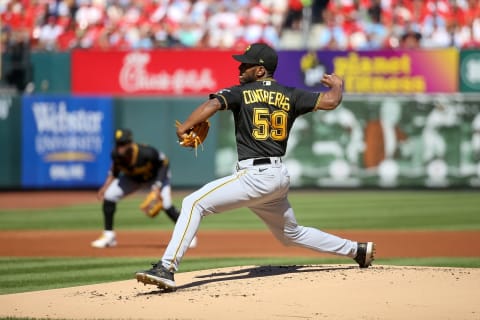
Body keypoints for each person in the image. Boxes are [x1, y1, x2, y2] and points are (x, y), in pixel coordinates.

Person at [135, 43, 375, 290]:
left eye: (246, 64)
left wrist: (185, 125)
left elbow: (214, 104)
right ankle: (357, 250)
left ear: (260, 71)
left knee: (193, 203)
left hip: (255, 176)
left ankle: (167, 267)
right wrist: (337, 85)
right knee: (291, 234)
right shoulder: (291, 94)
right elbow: (331, 101)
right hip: (277, 176)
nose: (240, 67)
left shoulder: (242, 92)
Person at [91, 128, 197, 249]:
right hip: (133, 179)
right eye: (118, 144)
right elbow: (114, 172)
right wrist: (105, 187)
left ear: (130, 143)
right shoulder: (115, 154)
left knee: (166, 204)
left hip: (156, 178)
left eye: (123, 144)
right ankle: (108, 236)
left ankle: (188, 235)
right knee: (109, 195)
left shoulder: (146, 152)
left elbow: (164, 163)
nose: (120, 147)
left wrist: (157, 187)